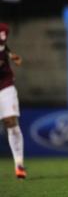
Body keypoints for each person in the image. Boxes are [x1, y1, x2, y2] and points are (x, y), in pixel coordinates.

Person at [0, 23, 26, 179]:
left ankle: (19, 164)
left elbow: (3, 46)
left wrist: (10, 54)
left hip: (5, 84)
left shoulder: (3, 28)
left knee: (11, 122)